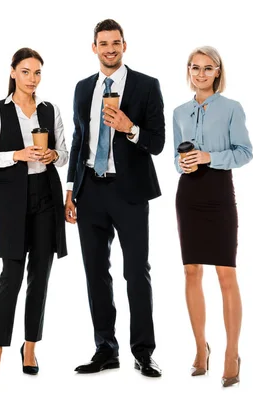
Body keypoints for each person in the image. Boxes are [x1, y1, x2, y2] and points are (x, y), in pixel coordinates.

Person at [65, 19, 165, 377]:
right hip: (90, 190)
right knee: (95, 272)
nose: (110, 49)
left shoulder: (146, 86)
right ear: (94, 47)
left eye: (116, 43)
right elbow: (79, 141)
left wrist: (129, 128)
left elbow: (157, 142)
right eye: (103, 43)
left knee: (136, 272)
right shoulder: (82, 88)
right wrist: (70, 190)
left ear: (125, 45)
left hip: (130, 192)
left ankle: (143, 351)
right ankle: (105, 347)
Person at [0, 47, 68, 381]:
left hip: (46, 195)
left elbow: (64, 154)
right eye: (26, 72)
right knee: (11, 276)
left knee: (40, 276)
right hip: (15, 199)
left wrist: (53, 154)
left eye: (38, 73)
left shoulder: (50, 109)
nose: (32, 79)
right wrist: (17, 154)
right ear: (13, 72)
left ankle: (30, 346)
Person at [173, 46, 253, 387]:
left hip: (219, 194)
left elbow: (245, 152)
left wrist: (208, 157)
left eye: (208, 68)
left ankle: (231, 352)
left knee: (226, 275)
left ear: (218, 72)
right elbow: (176, 157)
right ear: (188, 71)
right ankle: (199, 348)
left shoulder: (232, 109)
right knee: (191, 272)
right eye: (195, 67)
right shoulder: (178, 112)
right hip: (188, 195)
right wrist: (184, 162)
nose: (201, 73)